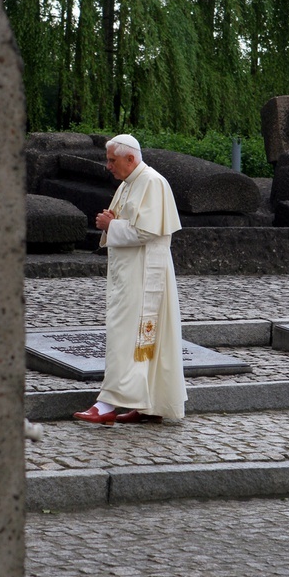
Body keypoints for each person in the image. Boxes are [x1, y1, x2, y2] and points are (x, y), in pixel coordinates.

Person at [73, 134, 187, 425]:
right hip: (130, 272)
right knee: (137, 337)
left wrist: (112, 225)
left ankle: (107, 403)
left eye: (111, 160)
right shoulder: (128, 184)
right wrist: (112, 222)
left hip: (144, 273)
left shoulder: (151, 182)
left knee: (125, 335)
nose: (107, 166)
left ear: (130, 159)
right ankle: (147, 403)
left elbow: (148, 231)